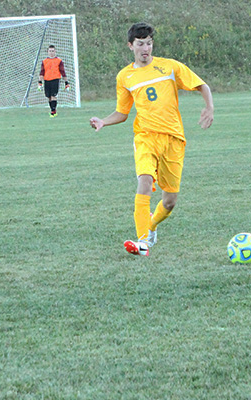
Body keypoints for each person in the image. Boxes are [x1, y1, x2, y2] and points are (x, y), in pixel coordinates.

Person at [89, 22, 214, 256]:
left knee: (169, 202)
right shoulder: (125, 76)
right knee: (144, 181)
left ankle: (152, 225)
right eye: (140, 44)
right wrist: (104, 121)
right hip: (145, 136)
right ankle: (143, 242)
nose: (145, 48)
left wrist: (209, 107)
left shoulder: (169, 67)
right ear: (130, 46)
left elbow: (202, 85)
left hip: (173, 139)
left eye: (149, 43)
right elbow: (123, 113)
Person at [38, 45, 69, 117]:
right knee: (48, 96)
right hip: (47, 80)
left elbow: (62, 71)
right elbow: (42, 72)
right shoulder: (44, 61)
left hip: (55, 80)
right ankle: (52, 109)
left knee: (53, 95)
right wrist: (40, 82)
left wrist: (66, 82)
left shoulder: (59, 61)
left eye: (53, 51)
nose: (51, 52)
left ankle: (53, 111)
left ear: (55, 52)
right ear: (47, 52)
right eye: (50, 51)